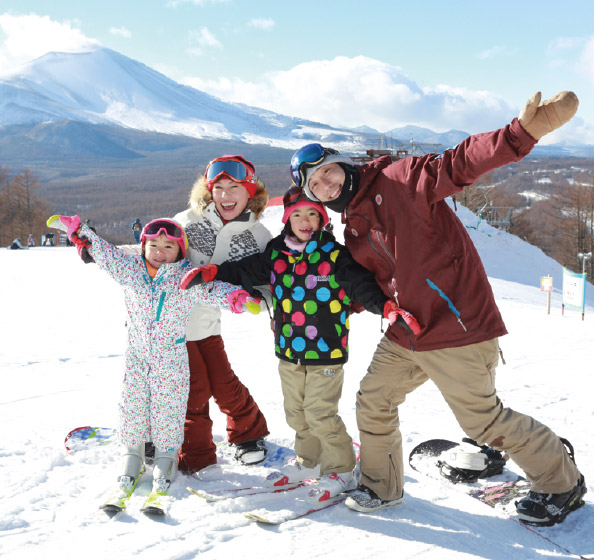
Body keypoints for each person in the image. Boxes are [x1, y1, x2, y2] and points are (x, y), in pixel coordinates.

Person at [289, 91, 586, 526]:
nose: (326, 183)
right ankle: (381, 485)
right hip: (408, 330)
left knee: (485, 423)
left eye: (328, 171)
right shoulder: (351, 224)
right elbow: (371, 280)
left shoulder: (399, 178)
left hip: (456, 325)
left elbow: (457, 164)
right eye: (315, 184)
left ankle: (562, 482)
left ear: (341, 164)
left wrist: (520, 134)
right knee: (374, 401)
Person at [181, 187, 420, 503]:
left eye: (312, 214)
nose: (304, 220)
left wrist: (386, 307)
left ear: (321, 219)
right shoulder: (276, 254)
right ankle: (310, 461)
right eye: (297, 214)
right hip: (289, 349)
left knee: (320, 412)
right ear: (287, 219)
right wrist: (213, 272)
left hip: (326, 351)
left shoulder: (335, 256)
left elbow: (361, 287)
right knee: (296, 413)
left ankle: (342, 468)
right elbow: (243, 270)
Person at [51, 215, 254, 507]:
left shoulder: (186, 277)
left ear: (180, 251)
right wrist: (80, 231)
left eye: (169, 246)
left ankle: (165, 459)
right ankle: (131, 457)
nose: (160, 251)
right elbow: (106, 255)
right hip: (137, 357)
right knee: (132, 406)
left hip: (171, 359)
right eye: (154, 244)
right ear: (143, 246)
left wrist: (236, 297)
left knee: (168, 410)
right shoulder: (131, 270)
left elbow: (212, 289)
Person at [172, 155, 272, 473]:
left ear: (250, 193)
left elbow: (268, 279)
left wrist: (262, 302)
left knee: (224, 384)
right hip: (173, 323)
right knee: (194, 388)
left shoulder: (259, 236)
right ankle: (195, 450)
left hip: (207, 324)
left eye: (235, 187)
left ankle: (248, 434)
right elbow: (155, 252)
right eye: (219, 187)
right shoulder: (188, 221)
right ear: (208, 190)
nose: (226, 195)